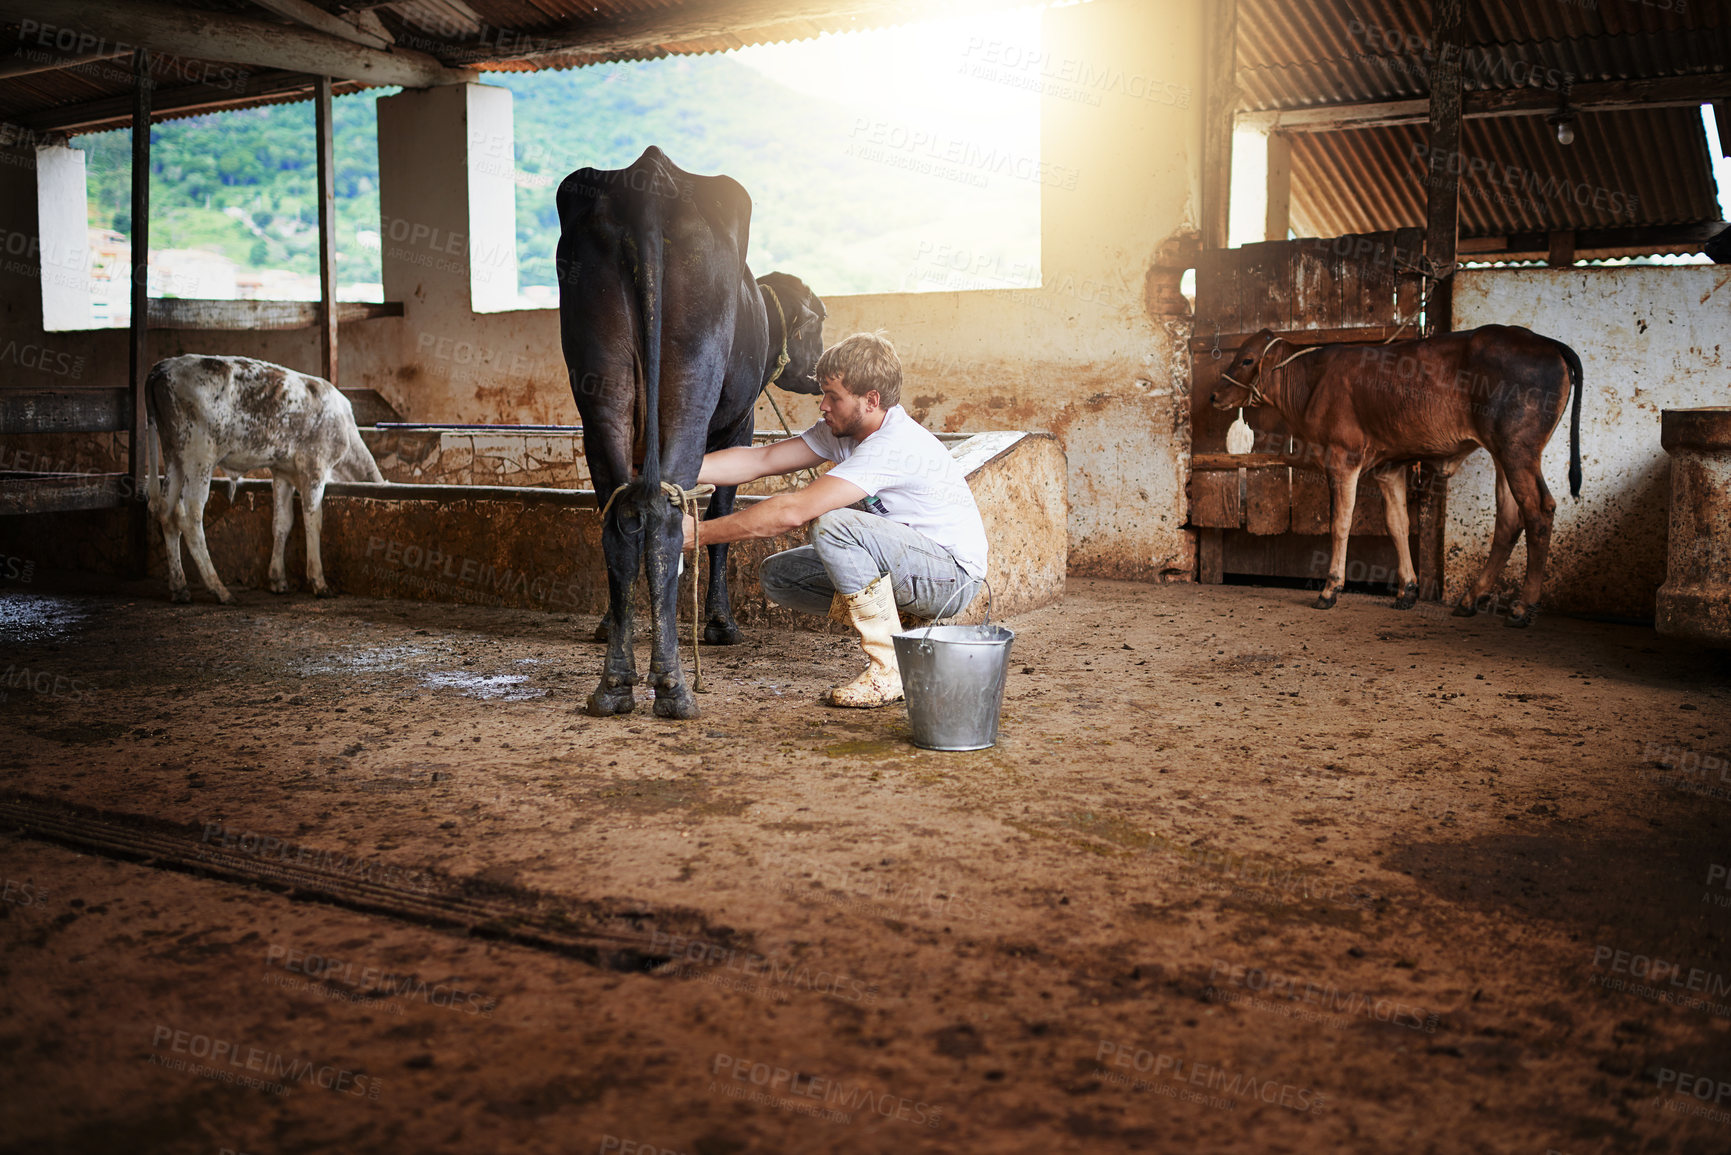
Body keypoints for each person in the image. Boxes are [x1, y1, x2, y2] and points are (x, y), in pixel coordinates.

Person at [681, 332, 988, 708]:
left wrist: (699, 533)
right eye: (822, 393)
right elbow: (760, 461)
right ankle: (903, 629)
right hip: (910, 565)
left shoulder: (892, 444)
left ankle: (890, 668)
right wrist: (673, 468)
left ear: (871, 400)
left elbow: (793, 511)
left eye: (834, 396)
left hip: (951, 577)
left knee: (834, 526)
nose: (823, 406)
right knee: (780, 576)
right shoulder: (842, 432)